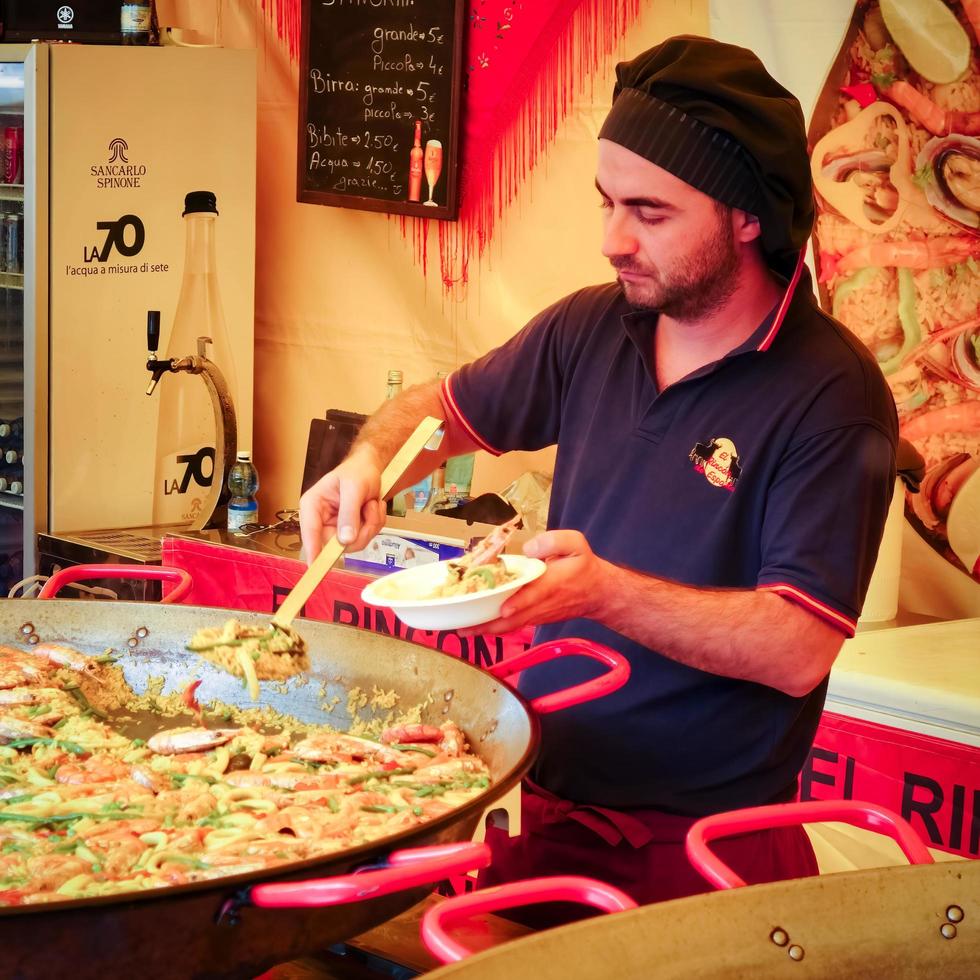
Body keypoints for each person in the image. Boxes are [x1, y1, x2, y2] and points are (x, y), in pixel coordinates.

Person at [300, 35, 898, 917]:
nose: (613, 239)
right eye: (607, 202)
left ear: (746, 216)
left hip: (701, 860)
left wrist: (605, 592)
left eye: (650, 213)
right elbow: (442, 406)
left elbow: (796, 647)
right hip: (545, 818)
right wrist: (369, 458)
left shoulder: (829, 394)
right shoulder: (591, 329)